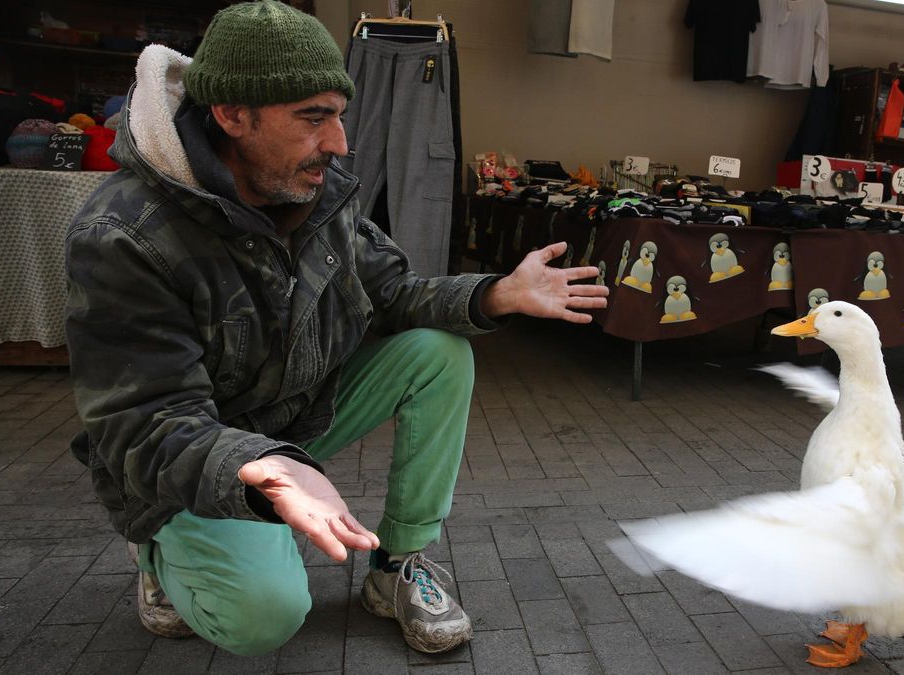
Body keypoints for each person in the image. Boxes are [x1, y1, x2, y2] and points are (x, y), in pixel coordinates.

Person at [64, 0, 607, 658]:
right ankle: (158, 554)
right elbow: (143, 422)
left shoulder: (317, 188)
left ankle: (397, 565)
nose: (340, 144)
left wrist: (496, 294)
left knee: (437, 350)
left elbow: (394, 293)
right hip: (191, 457)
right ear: (233, 115)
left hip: (290, 419)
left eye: (340, 115)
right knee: (265, 618)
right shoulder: (123, 234)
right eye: (313, 118)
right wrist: (267, 472)